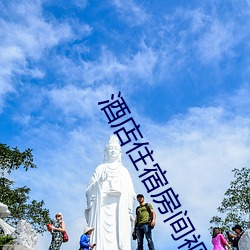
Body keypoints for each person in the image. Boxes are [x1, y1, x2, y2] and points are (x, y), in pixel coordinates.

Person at [85, 135, 136, 250]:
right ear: (106, 151)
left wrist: (122, 192)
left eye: (115, 149)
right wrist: (99, 181)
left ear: (119, 152)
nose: (113, 151)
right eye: (111, 148)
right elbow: (88, 190)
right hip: (101, 208)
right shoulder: (100, 169)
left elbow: (131, 193)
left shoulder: (124, 171)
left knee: (119, 237)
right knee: (100, 237)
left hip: (119, 209)